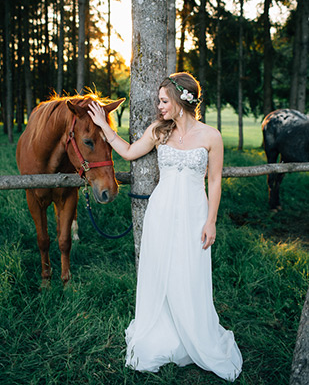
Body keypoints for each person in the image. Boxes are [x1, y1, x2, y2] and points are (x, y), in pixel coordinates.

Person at [88, 72, 243, 382]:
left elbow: (214, 181)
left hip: (194, 213)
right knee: (161, 267)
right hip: (161, 212)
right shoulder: (159, 132)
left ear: (179, 100)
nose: (159, 107)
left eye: (163, 101)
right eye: (159, 101)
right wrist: (104, 126)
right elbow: (129, 151)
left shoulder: (211, 136)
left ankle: (194, 332)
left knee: (189, 269)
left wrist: (210, 221)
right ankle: (161, 330)